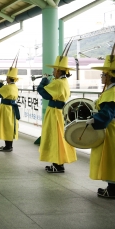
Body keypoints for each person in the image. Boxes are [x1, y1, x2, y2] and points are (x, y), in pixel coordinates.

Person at [86, 40, 115, 199]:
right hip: (113, 128)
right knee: (113, 158)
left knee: (111, 159)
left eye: (103, 74)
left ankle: (114, 191)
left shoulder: (111, 93)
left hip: (110, 129)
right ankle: (112, 189)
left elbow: (107, 114)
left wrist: (94, 120)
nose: (102, 76)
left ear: (109, 76)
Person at [38, 45, 76, 173]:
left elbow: (45, 94)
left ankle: (58, 164)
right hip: (59, 112)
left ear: (59, 71)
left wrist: (43, 81)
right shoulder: (63, 82)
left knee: (55, 138)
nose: (53, 72)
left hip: (55, 113)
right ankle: (57, 163)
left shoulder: (58, 82)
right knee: (59, 137)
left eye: (55, 70)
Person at [0, 64, 20, 152]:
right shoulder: (14, 86)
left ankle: (8, 146)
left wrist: (0, 84)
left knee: (6, 127)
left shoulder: (7, 87)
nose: (6, 79)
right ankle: (8, 145)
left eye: (7, 77)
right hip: (11, 108)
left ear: (8, 78)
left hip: (6, 109)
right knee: (10, 126)